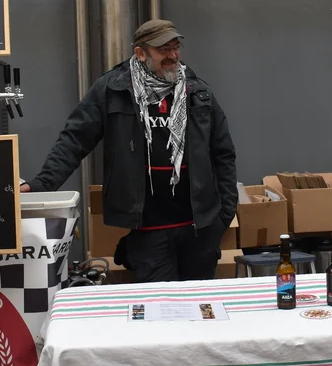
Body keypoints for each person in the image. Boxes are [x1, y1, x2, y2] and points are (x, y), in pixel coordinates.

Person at [23, 19, 237, 283]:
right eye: (163, 50)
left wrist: (224, 215)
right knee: (159, 304)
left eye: (175, 47)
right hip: (149, 231)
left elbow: (223, 153)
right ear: (140, 53)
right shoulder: (113, 90)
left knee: (199, 304)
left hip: (199, 230)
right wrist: (42, 185)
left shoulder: (197, 91)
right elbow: (74, 140)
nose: (172, 56)